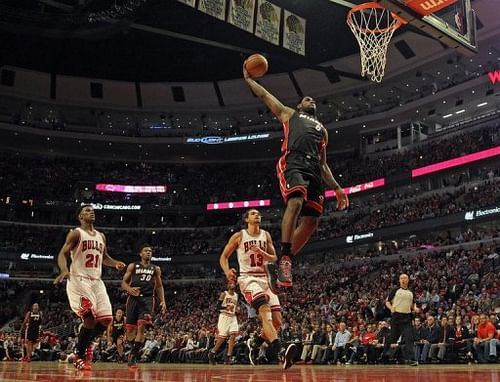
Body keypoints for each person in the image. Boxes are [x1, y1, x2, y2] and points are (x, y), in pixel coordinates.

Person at [243, 62, 349, 287]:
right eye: (307, 99)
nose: (311, 100)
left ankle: (284, 261)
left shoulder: (323, 131)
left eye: (313, 100)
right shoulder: (289, 114)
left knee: (312, 221)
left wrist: (338, 188)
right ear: (300, 105)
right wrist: (250, 81)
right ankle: (284, 252)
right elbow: (265, 96)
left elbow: (323, 164)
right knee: (296, 202)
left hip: (314, 170)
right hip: (294, 161)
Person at [219, 208, 296, 370]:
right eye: (253, 214)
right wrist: (227, 272)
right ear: (246, 219)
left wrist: (261, 251)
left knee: (277, 322)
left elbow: (274, 257)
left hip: (266, 278)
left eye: (259, 214)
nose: (257, 215)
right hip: (248, 278)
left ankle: (255, 343)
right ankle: (280, 351)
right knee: (264, 314)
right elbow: (224, 256)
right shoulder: (239, 236)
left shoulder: (265, 235)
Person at [54, 205, 126, 371]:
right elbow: (62, 253)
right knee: (89, 318)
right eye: (87, 210)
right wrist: (64, 270)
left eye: (92, 210)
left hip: (96, 281)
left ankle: (88, 342)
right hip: (79, 279)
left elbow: (104, 257)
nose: (91, 211)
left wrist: (115, 263)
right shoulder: (76, 233)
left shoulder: (101, 236)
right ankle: (79, 355)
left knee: (107, 319)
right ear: (80, 216)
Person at [122, 244, 167, 368]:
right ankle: (134, 349)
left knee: (141, 326)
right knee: (130, 331)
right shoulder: (133, 266)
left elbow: (159, 286)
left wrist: (162, 300)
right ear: (140, 254)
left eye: (150, 251)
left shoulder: (155, 268)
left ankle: (132, 356)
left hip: (147, 299)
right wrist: (129, 289)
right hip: (133, 298)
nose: (148, 252)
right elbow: (123, 283)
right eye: (146, 251)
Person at [383, 273, 419, 366]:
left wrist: (415, 308)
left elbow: (413, 303)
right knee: (393, 338)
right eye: (401, 278)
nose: (403, 279)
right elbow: (387, 301)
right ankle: (384, 354)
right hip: (396, 316)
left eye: (405, 278)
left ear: (408, 280)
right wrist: (391, 308)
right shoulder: (395, 290)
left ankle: (411, 359)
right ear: (399, 280)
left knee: (409, 337)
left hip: (407, 317)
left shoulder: (411, 291)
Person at [208, 282, 239, 365]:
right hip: (224, 316)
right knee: (222, 338)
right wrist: (226, 307)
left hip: (233, 317)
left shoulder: (236, 295)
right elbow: (217, 307)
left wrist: (237, 309)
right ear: (228, 286)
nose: (232, 284)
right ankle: (212, 352)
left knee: (233, 336)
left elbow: (234, 306)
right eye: (230, 284)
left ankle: (229, 357)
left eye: (233, 284)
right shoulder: (224, 294)